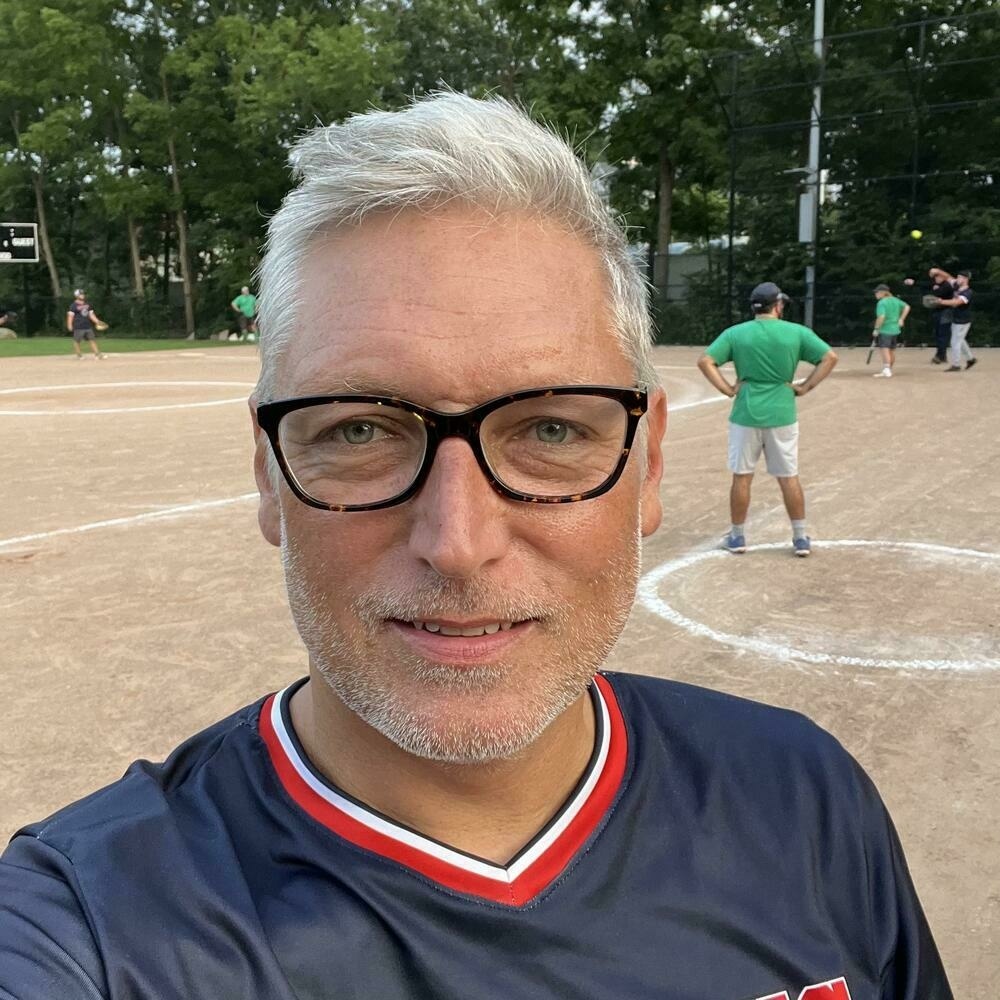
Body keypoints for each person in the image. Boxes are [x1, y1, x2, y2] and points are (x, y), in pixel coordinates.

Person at [0, 94, 951, 1000]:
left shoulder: (804, 797)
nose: (457, 543)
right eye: (361, 431)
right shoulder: (91, 921)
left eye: (549, 431)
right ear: (267, 472)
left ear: (649, 463)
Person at [697, 283, 838, 558]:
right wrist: (806, 386)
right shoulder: (795, 332)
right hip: (782, 410)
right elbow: (829, 357)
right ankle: (799, 537)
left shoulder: (737, 333)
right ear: (778, 305)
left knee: (742, 475)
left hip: (746, 411)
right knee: (788, 476)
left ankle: (737, 536)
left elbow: (706, 361)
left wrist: (728, 389)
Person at [935, 270, 977, 372]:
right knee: (960, 340)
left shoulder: (968, 292)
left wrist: (941, 301)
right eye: (957, 277)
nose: (957, 279)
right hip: (956, 319)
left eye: (960, 277)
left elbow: (957, 302)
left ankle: (956, 365)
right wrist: (937, 271)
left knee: (955, 342)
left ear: (966, 279)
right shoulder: (957, 286)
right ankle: (971, 359)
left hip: (963, 320)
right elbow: (948, 276)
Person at [871, 283, 910, 378]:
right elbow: (907, 307)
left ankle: (887, 370)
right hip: (895, 329)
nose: (875, 294)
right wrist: (901, 319)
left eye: (877, 292)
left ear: (883, 293)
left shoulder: (881, 303)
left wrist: (876, 329)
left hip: (885, 330)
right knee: (891, 351)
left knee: (885, 350)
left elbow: (881, 317)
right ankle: (888, 369)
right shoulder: (895, 300)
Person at [66, 289, 106, 359]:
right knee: (77, 341)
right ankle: (79, 355)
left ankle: (97, 354)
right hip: (78, 326)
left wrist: (97, 321)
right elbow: (70, 316)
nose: (83, 295)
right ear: (77, 296)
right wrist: (69, 325)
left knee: (92, 340)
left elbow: (91, 315)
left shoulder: (87, 304)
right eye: (81, 294)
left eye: (83, 294)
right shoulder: (73, 306)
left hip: (87, 326)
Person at [927, 268, 955, 364]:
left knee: (942, 334)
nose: (936, 279)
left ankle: (940, 356)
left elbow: (938, 294)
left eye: (938, 276)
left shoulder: (947, 285)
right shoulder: (938, 285)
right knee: (938, 334)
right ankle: (941, 355)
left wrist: (935, 289)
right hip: (939, 311)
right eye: (936, 277)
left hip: (946, 311)